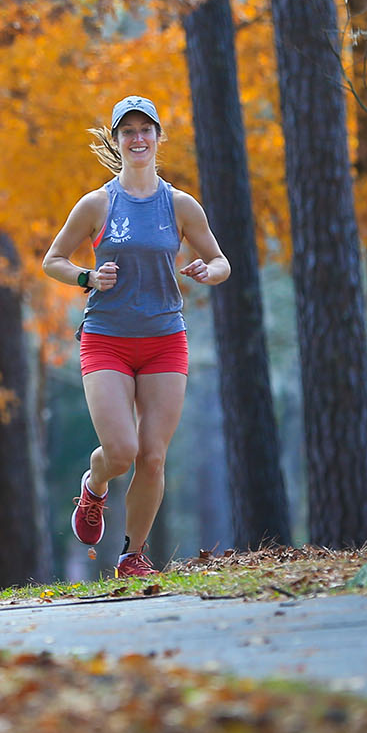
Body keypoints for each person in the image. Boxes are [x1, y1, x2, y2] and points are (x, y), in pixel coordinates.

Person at [41, 95, 229, 578]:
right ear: (117, 140)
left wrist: (208, 271)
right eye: (128, 131)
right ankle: (94, 484)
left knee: (153, 455)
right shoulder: (97, 203)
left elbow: (222, 261)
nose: (138, 138)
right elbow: (53, 260)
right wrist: (87, 278)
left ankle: (132, 555)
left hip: (166, 338)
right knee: (121, 452)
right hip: (106, 337)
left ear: (158, 138)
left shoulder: (181, 205)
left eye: (146, 130)